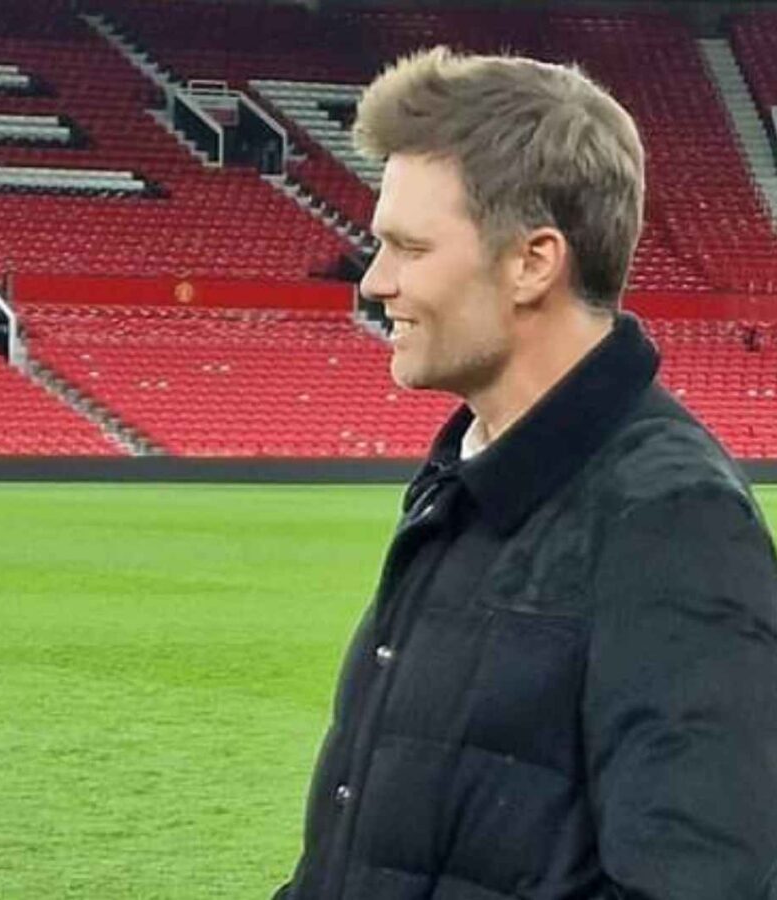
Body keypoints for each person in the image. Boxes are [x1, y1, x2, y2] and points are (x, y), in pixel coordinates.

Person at [275, 47, 777, 899]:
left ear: (533, 262)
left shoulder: (672, 519)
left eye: (408, 248)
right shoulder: (461, 483)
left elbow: (698, 880)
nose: (374, 281)